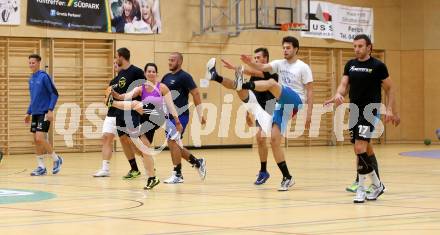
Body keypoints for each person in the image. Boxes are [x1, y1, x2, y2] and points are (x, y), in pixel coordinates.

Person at [324, 34, 400, 203]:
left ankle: (361, 188)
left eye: (360, 46)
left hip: (370, 110)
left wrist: (389, 109)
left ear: (369, 47)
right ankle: (377, 184)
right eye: (354, 46)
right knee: (363, 149)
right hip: (354, 111)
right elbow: (344, 85)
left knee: (360, 148)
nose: (357, 49)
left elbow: (391, 89)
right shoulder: (350, 65)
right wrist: (337, 94)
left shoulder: (378, 66)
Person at [237, 36, 314, 191]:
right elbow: (262, 67)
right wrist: (248, 62)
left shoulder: (303, 67)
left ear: (296, 49)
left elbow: (310, 92)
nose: (285, 50)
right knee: (273, 140)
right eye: (284, 48)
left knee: (272, 83)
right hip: (282, 104)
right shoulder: (279, 64)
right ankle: (287, 177)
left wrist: (309, 115)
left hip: (295, 99)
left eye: (288, 48)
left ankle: (244, 84)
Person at [206, 48, 278, 185]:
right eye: (254, 58)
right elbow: (249, 90)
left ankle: (263, 171)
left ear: (266, 59)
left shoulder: (271, 70)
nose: (255, 60)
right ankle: (215, 76)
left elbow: (257, 72)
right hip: (255, 104)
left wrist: (237, 67)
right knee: (240, 87)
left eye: (258, 58)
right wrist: (247, 112)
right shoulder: (254, 74)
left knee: (260, 138)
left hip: (269, 107)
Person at [109, 63, 183, 189]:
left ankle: (113, 104)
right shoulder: (140, 88)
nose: (151, 73)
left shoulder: (162, 87)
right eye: (149, 71)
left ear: (156, 73)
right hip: (145, 119)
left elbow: (171, 106)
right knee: (145, 150)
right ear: (145, 73)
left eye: (153, 71)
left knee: (136, 104)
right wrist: (116, 95)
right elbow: (125, 96)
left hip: (157, 116)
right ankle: (152, 178)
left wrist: (177, 122)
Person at [93, 48, 145, 179]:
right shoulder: (114, 80)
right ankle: (106, 168)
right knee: (107, 137)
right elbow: (109, 99)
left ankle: (147, 160)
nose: (115, 60)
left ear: (121, 57)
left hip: (130, 112)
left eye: (116, 57)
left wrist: (141, 108)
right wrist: (107, 99)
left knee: (132, 142)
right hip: (114, 113)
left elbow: (144, 90)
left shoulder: (136, 71)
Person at [161, 52, 207, 184]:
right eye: (169, 60)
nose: (170, 62)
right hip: (168, 116)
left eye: (173, 60)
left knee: (173, 142)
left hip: (181, 115)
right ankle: (197, 162)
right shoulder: (166, 77)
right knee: (174, 145)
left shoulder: (185, 77)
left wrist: (200, 114)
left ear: (180, 62)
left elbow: (196, 93)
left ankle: (178, 174)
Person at [24, 54, 63, 176]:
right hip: (35, 113)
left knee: (40, 138)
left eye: (33, 62)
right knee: (36, 140)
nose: (31, 65)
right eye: (29, 63)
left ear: (39, 63)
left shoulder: (44, 77)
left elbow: (54, 94)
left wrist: (50, 110)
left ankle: (57, 159)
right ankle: (41, 167)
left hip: (44, 112)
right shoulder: (31, 79)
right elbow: (33, 98)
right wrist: (28, 112)